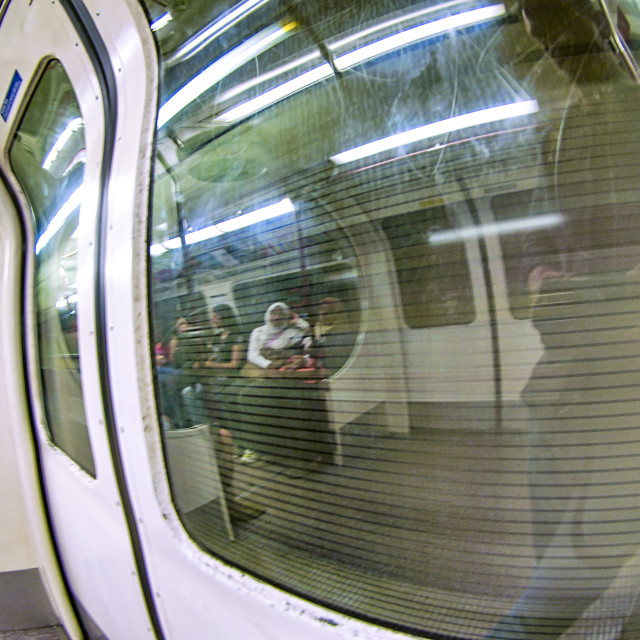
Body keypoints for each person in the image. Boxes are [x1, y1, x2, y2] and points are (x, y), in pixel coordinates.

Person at [246, 301, 310, 373]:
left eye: (281, 314)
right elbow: (252, 355)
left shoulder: (293, 332)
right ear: (268, 315)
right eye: (273, 313)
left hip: (284, 369)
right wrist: (268, 365)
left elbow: (308, 329)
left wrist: (297, 320)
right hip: (263, 369)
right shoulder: (258, 332)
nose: (277, 317)